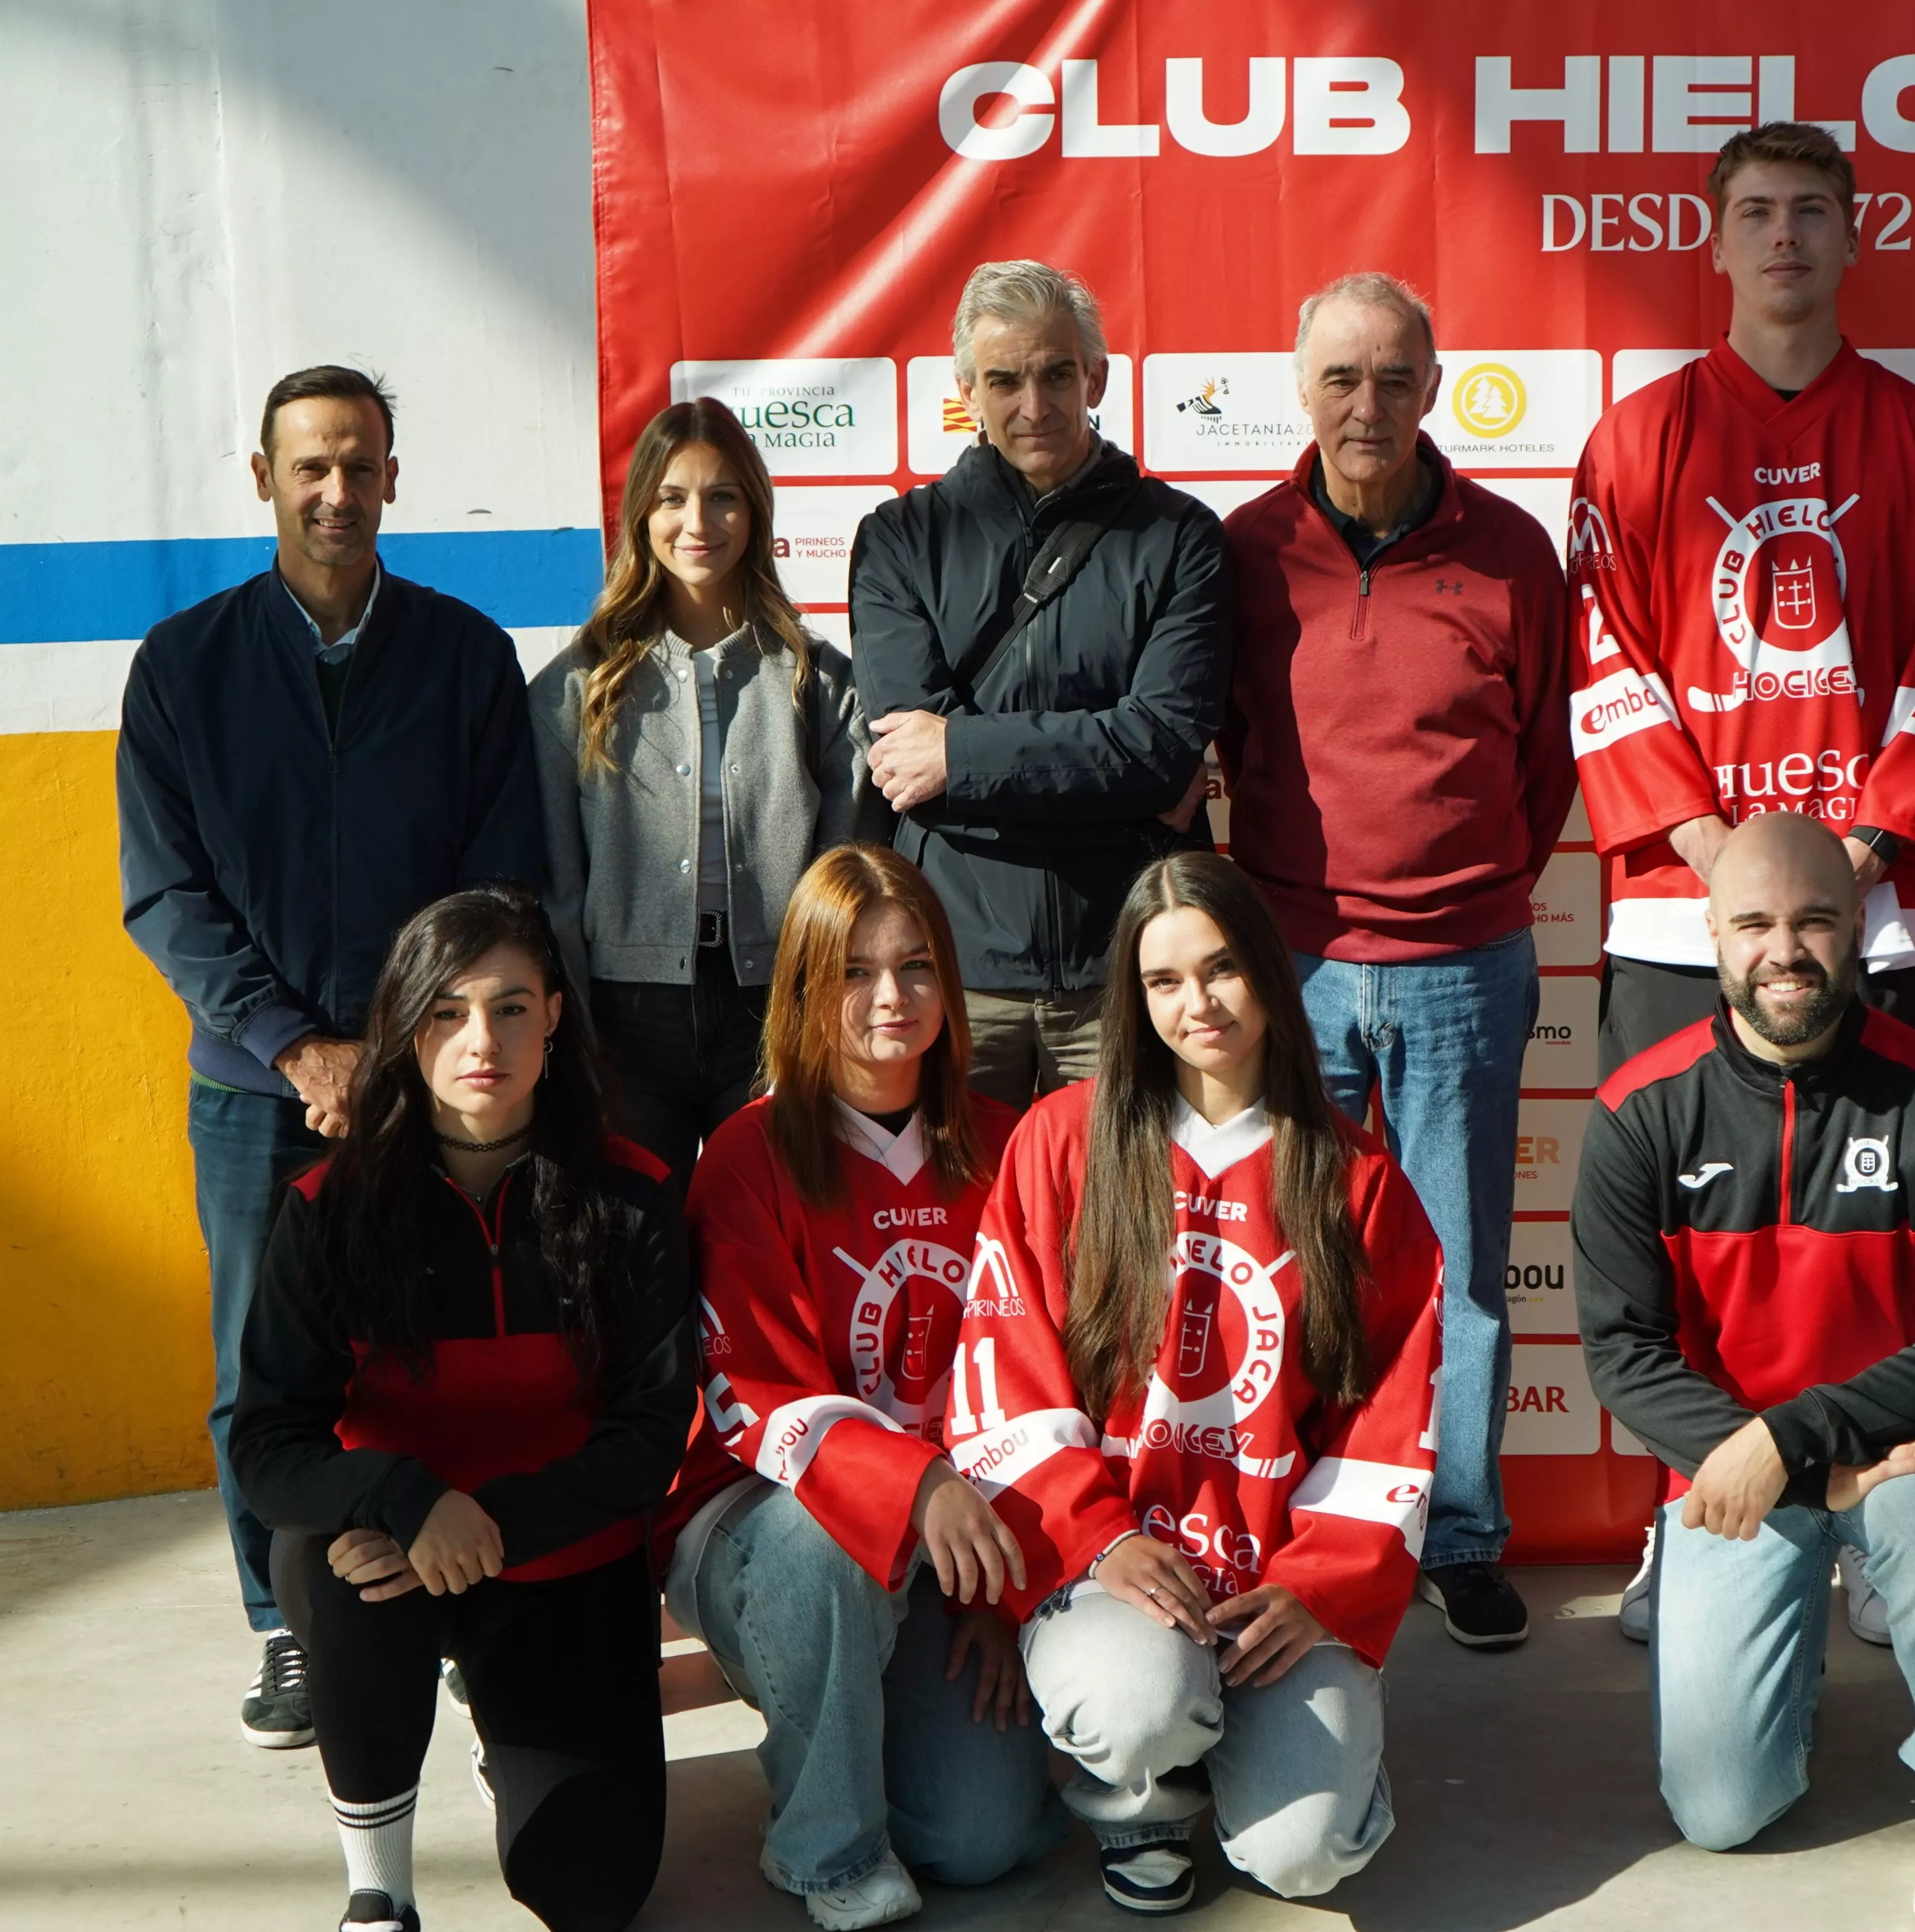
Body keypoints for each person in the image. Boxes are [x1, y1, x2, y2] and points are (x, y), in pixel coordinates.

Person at [118, 365, 546, 1748]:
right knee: (266, 1367)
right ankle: (288, 1623)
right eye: (311, 466)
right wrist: (298, 1044)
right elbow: (167, 894)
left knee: (447, 1349)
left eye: (360, 464)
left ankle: (466, 1603)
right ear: (263, 480)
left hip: (437, 1089)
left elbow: (503, 879)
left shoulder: (467, 655)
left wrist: (418, 1043)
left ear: (394, 478)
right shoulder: (182, 666)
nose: (337, 492)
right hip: (257, 1094)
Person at [943, 852, 1442, 1915]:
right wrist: (1100, 1538)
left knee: (1305, 1858)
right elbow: (1006, 1374)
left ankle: (1281, 1756)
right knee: (1137, 1706)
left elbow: (1389, 1420)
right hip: (1114, 1563)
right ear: (1132, 996)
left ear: (1265, 971)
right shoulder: (1061, 1139)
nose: (1196, 1003)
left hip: (1276, 1584)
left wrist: (1318, 1585)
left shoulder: (1356, 1176)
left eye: (1219, 970)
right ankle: (1150, 1793)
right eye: (1163, 981)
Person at [1570, 814, 1915, 1932]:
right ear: (1714, 936)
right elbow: (1620, 1352)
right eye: (1756, 923)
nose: (1786, 949)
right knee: (1722, 1809)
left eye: (1815, 920)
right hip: (1744, 1463)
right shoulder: (1638, 1110)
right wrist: (1796, 1467)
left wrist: (1802, 1435)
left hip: (1904, 1447)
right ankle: (1788, 1666)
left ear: (1858, 927)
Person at [1220, 272, 1576, 1653]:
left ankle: (1467, 1531)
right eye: (1339, 380)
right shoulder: (1244, 549)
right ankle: (1295, 1518)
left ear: (1434, 388)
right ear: (1300, 391)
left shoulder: (1510, 551)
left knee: (1462, 1269)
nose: (1365, 407)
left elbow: (1543, 759)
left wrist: (1464, 896)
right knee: (1285, 1257)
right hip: (1289, 966)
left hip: (1463, 965)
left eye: (1391, 379)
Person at [228, 884, 694, 1932]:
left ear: (555, 1015)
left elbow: (650, 1433)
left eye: (511, 1005)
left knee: (593, 1890)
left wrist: (488, 1520)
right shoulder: (329, 1209)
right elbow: (267, 1440)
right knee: (337, 1564)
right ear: (406, 1023)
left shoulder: (633, 1195)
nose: (480, 1038)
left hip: (565, 1560)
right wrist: (401, 1495)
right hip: (392, 1556)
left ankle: (502, 1720)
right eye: (446, 1010)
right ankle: (377, 1891)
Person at [662, 846, 1051, 1929]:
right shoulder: (744, 1156)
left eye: (916, 964)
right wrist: (919, 1487)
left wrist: (1005, 1592)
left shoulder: (1006, 1145)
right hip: (762, 1531)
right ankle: (824, 1850)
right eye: (855, 970)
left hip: (956, 1542)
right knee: (820, 1550)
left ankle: (840, 1721)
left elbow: (1046, 1384)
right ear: (803, 987)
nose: (890, 996)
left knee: (982, 1839)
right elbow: (757, 1397)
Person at [1565, 119, 1915, 1078]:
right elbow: (1605, 665)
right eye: (1756, 214)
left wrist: (1852, 862)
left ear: (1853, 234)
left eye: (1810, 213)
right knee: (1671, 1217)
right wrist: (1719, 855)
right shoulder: (1632, 443)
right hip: (1680, 916)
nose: (1784, 236)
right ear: (1715, 243)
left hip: (1871, 924)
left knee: (1882, 1217)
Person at [849, 259, 1236, 1109]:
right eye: (1005, 380)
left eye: (1058, 373)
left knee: (1121, 1233)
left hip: (1127, 969)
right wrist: (1103, 766)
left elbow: (1159, 749)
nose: (1035, 405)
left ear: (1094, 375)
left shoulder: (1179, 538)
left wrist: (962, 752)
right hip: (954, 970)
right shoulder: (899, 541)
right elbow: (907, 767)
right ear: (966, 389)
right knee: (957, 1234)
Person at [529, 397, 867, 1182]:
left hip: (774, 1005)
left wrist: (815, 1010)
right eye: (672, 498)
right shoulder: (577, 685)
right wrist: (575, 1030)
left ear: (754, 510)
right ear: (641, 514)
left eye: (723, 496)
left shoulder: (820, 681)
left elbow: (846, 869)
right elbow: (556, 885)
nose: (699, 521)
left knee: (767, 1235)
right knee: (636, 1242)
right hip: (628, 1016)